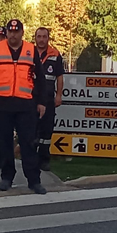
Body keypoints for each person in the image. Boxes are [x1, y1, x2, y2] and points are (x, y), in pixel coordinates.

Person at [0, 19, 47, 195]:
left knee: (28, 144)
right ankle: (7, 177)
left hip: (26, 105)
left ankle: (34, 180)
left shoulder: (30, 50)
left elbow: (40, 78)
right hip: (2, 105)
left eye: (16, 32)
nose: (13, 34)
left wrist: (41, 102)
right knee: (4, 144)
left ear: (22, 33)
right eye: (10, 31)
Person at [34, 27, 65, 171]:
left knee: (47, 131)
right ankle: (31, 158)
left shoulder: (55, 54)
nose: (41, 39)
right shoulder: (29, 52)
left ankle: (44, 159)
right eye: (39, 36)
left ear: (48, 38)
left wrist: (58, 95)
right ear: (35, 38)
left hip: (48, 98)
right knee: (32, 130)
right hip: (31, 98)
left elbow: (59, 77)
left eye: (44, 36)